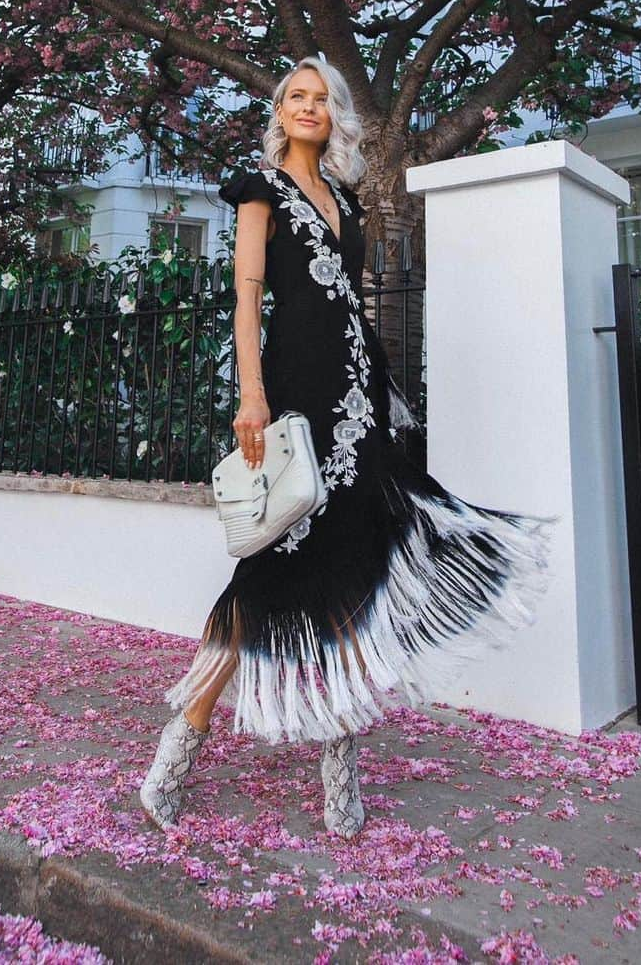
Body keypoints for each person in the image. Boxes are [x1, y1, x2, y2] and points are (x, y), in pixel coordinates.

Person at [139, 56, 550, 838]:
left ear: (336, 116)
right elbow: (248, 298)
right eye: (295, 96)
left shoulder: (348, 199)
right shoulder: (259, 191)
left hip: (358, 402)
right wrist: (251, 395)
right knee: (266, 580)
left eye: (320, 99)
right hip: (295, 403)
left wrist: (383, 397)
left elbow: (352, 309)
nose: (307, 107)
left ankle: (340, 777)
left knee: (353, 582)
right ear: (280, 110)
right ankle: (174, 754)